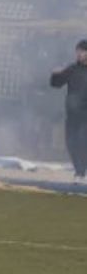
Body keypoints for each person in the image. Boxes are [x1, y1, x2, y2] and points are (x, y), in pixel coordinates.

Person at [49, 39, 87, 181]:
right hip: (72, 114)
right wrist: (55, 74)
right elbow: (56, 84)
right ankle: (79, 170)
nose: (79, 54)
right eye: (78, 51)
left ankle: (81, 172)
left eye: (82, 51)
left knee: (83, 141)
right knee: (71, 142)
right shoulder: (73, 69)